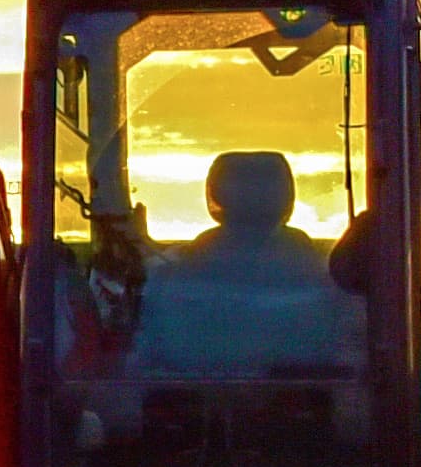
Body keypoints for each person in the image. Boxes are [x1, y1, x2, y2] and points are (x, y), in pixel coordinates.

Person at [126, 150, 365, 377]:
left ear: (215, 193)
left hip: (189, 411)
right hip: (308, 410)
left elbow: (138, 363)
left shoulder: (164, 278)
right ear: (287, 195)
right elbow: (351, 359)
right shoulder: (335, 281)